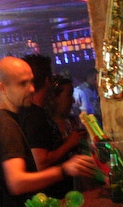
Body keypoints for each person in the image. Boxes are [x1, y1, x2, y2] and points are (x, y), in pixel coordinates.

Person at [0, 56, 96, 207]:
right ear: (2, 88)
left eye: (31, 82)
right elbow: (16, 182)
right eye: (22, 84)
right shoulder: (5, 125)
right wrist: (64, 169)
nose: (31, 89)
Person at [18, 55, 81, 198]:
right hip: (51, 195)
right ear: (47, 80)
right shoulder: (35, 115)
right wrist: (69, 143)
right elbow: (40, 162)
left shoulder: (32, 112)